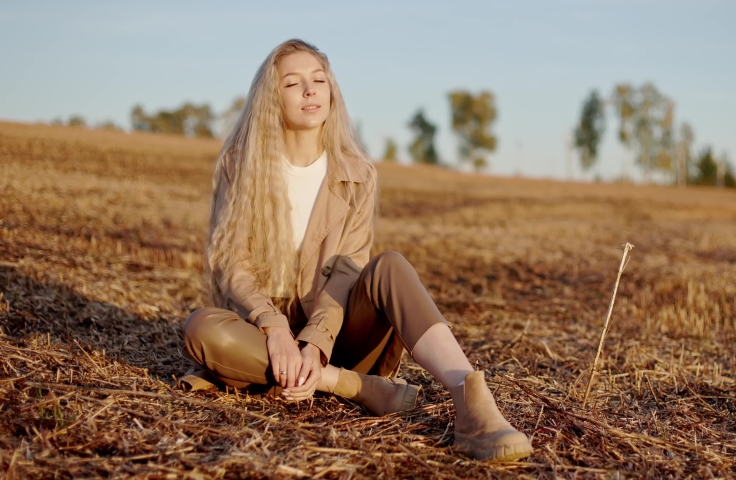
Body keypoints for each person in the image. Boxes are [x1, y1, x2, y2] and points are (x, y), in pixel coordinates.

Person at [179, 39, 533, 462]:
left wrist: (315, 342)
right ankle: (348, 385)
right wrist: (275, 329)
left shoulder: (358, 174)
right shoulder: (240, 165)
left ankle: (471, 401)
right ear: (270, 99)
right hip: (261, 338)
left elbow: (346, 273)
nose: (310, 90)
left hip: (337, 332)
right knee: (202, 328)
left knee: (390, 266)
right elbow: (233, 262)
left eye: (319, 80)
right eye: (292, 83)